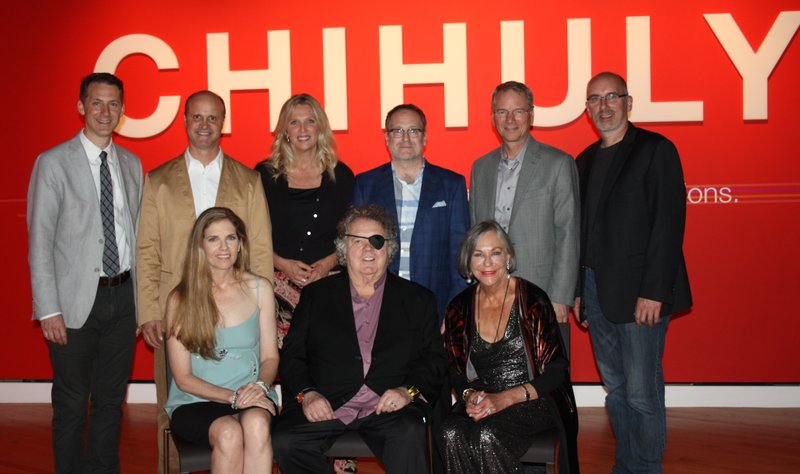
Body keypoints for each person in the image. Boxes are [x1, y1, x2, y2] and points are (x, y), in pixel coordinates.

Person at [136, 90, 273, 473]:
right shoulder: (159, 181)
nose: (204, 125)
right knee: (173, 403)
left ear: (222, 124)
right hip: (174, 312)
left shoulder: (247, 180)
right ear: (184, 120)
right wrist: (149, 311)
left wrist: (264, 306)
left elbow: (259, 249)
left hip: (239, 304)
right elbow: (146, 249)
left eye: (213, 118)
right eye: (197, 117)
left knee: (247, 425)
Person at [575, 71, 692, 473]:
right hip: (595, 290)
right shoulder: (585, 160)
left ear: (629, 102)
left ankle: (644, 468)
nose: (603, 106)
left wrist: (655, 291)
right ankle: (625, 465)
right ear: (587, 109)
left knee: (642, 392)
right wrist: (578, 289)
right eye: (595, 99)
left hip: (641, 294)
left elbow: (668, 223)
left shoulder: (656, 149)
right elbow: (582, 233)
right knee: (618, 390)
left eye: (612, 97)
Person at [273, 204, 447, 473]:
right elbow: (293, 356)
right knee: (286, 440)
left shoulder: (418, 300)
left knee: (410, 431)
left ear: (388, 250)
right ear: (343, 249)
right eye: (358, 242)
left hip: (389, 407)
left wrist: (407, 391)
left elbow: (434, 360)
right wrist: (308, 395)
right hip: (329, 402)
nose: (368, 250)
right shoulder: (316, 296)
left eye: (377, 242)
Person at [27, 72, 143, 472]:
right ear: (81, 107)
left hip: (123, 299)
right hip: (74, 303)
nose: (105, 112)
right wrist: (48, 309)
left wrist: (142, 306)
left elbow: (136, 235)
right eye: (97, 103)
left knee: (112, 402)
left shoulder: (131, 164)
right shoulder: (53, 163)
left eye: (113, 104)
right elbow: (39, 241)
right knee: (72, 404)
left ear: (122, 111)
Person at [438, 221, 579, 473]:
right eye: (478, 254)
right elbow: (455, 369)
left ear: (508, 257)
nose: (487, 262)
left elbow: (557, 370)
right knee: (450, 431)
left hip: (533, 397)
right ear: (468, 262)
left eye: (496, 252)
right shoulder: (459, 308)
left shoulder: (533, 300)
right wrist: (469, 396)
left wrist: (506, 398)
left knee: (487, 435)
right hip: (484, 397)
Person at [164, 207, 279, 473]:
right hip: (196, 400)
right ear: (200, 246)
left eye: (231, 237)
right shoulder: (180, 299)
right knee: (228, 433)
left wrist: (260, 386)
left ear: (240, 243)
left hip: (253, 393)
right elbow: (183, 378)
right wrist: (235, 398)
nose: (223, 247)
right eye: (213, 239)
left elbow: (270, 357)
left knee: (257, 426)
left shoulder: (260, 288)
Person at [470, 81, 579, 324]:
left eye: (518, 111)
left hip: (541, 292)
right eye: (501, 112)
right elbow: (475, 234)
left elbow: (568, 233)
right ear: (493, 117)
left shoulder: (558, 164)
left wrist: (560, 296)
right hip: (490, 293)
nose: (510, 119)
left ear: (530, 116)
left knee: (538, 363)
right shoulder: (480, 168)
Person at [353, 103, 469, 322]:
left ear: (424, 138)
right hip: (377, 307)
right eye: (397, 130)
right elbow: (355, 252)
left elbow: (460, 255)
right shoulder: (365, 184)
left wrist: (454, 313)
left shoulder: (451, 184)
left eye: (413, 130)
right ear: (387, 138)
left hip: (435, 306)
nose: (405, 138)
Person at [255, 93, 354, 346]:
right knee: (287, 361)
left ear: (320, 127)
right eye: (294, 122)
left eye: (309, 121)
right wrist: (281, 264)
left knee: (329, 356)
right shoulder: (264, 175)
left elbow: (352, 232)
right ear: (284, 129)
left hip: (329, 283)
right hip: (277, 287)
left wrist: (329, 263)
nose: (302, 129)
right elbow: (252, 232)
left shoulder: (341, 175)